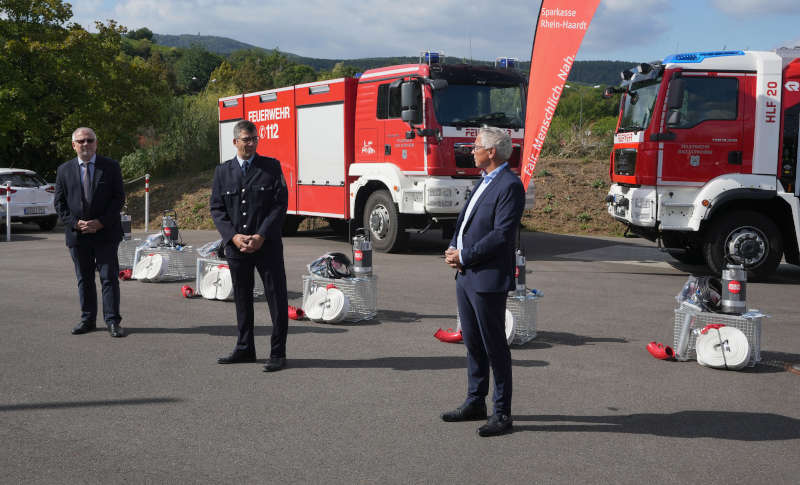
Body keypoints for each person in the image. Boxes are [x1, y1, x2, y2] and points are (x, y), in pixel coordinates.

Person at [442, 126, 525, 437]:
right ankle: (475, 400)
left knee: (494, 347)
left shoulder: (510, 185)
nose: (471, 149)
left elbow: (502, 236)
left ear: (492, 152)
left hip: (486, 277)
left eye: (476, 145)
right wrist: (454, 248)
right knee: (473, 343)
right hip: (466, 276)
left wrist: (465, 256)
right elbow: (464, 221)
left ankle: (501, 412)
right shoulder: (483, 181)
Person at [210, 120, 290, 372]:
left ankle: (277, 352)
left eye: (254, 138)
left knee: (276, 297)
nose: (251, 143)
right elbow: (217, 208)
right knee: (242, 299)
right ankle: (245, 348)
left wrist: (261, 235)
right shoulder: (223, 172)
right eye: (246, 139)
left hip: (266, 246)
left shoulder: (271, 167)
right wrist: (232, 237)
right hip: (237, 248)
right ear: (235, 142)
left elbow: (279, 205)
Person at [54, 127, 126, 337]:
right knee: (84, 278)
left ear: (96, 143)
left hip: (105, 233)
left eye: (90, 140)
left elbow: (118, 198)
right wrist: (76, 223)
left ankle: (113, 321)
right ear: (74, 145)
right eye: (81, 141)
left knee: (108, 277)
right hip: (78, 235)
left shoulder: (110, 167)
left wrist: (101, 222)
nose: (86, 144)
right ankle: (88, 320)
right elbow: (59, 203)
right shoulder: (64, 170)